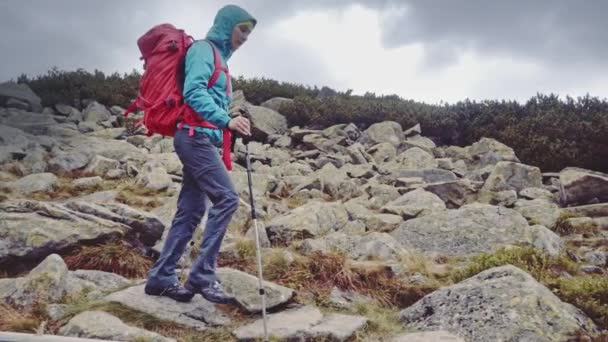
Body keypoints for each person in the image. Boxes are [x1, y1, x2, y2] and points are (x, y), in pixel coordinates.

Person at [144, 4, 256, 304]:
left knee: (191, 212)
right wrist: (226, 120)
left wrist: (232, 122)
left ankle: (161, 278)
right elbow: (194, 92)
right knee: (228, 199)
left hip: (202, 139)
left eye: (249, 33)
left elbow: (210, 99)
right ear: (226, 25)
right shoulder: (204, 51)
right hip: (194, 138)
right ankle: (202, 275)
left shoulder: (221, 60)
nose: (245, 36)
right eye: (241, 29)